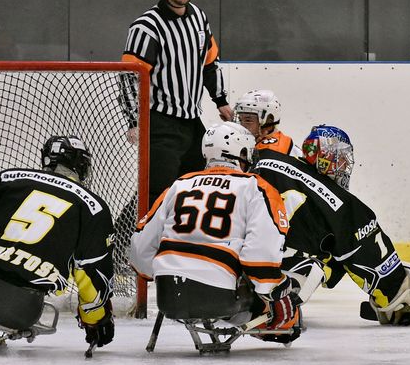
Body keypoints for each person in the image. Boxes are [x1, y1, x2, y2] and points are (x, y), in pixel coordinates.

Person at [253, 124, 410, 325]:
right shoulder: (340, 202)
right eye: (339, 157)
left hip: (235, 256)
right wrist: (399, 298)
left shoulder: (266, 158)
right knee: (322, 262)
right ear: (324, 157)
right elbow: (368, 252)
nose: (343, 164)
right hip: (273, 273)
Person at [129, 122, 301, 343]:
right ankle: (278, 327)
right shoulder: (256, 186)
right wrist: (277, 291)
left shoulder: (179, 184)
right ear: (241, 153)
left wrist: (162, 271)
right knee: (283, 293)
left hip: (168, 297)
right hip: (221, 298)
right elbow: (262, 256)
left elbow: (140, 248)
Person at [0, 135, 116, 348]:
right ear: (81, 165)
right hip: (23, 309)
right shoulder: (93, 206)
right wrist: (96, 320)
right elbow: (91, 275)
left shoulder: (7, 178)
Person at [120, 0, 233, 207]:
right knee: (157, 192)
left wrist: (220, 100)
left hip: (192, 123)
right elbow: (130, 76)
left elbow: (209, 63)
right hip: (160, 123)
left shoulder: (199, 18)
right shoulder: (147, 26)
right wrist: (134, 120)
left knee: (200, 183)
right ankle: (123, 241)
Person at [234, 89, 303, 158]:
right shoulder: (269, 139)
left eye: (248, 120)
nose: (242, 125)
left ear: (269, 122)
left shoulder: (271, 150)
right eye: (240, 119)